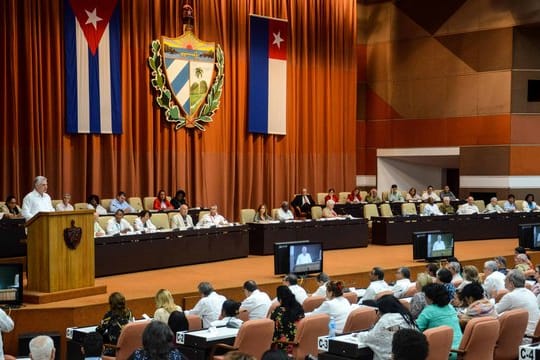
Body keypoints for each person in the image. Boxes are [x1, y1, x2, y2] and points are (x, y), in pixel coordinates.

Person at [355, 295, 417, 360]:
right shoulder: (406, 317)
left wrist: (359, 335)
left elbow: (370, 338)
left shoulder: (385, 320)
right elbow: (394, 329)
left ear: (382, 309)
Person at [416, 283, 462, 352]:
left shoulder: (428, 311)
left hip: (445, 352)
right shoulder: (450, 307)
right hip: (461, 349)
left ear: (430, 297)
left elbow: (415, 329)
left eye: (425, 295)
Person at [495, 270, 540, 336]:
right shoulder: (529, 292)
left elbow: (494, 312)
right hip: (535, 335)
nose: (504, 280)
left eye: (506, 279)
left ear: (511, 283)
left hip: (524, 336)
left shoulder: (511, 296)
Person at [270, 285, 305, 355]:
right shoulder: (299, 308)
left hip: (284, 346)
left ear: (280, 299)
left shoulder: (278, 312)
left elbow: (273, 332)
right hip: (300, 344)